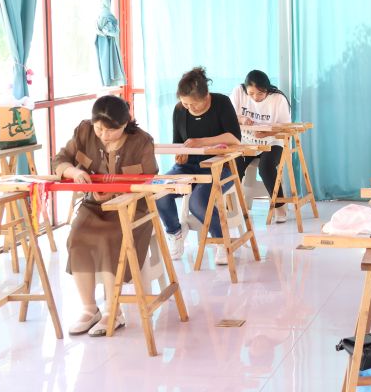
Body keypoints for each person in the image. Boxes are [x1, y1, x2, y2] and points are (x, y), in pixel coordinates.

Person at [52, 95, 158, 336]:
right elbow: (60, 159)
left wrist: (114, 193)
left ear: (125, 124)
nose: (103, 135)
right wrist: (73, 173)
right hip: (94, 205)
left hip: (132, 207)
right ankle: (89, 309)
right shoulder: (84, 131)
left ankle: (113, 310)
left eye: (110, 130)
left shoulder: (141, 142)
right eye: (99, 129)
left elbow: (149, 179)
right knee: (76, 237)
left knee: (111, 238)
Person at [155, 67, 242, 266]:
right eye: (185, 103)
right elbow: (179, 144)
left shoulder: (221, 103)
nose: (188, 108)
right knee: (160, 191)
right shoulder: (180, 110)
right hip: (189, 166)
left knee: (198, 201)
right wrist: (181, 155)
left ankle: (221, 240)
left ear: (205, 97)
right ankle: (175, 232)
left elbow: (234, 138)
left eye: (193, 104)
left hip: (221, 166)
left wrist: (201, 142)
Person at [230, 70, 292, 223]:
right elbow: (228, 116)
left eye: (260, 94)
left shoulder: (278, 99)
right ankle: (232, 207)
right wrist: (242, 119)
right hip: (246, 142)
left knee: (266, 167)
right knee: (233, 165)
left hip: (273, 142)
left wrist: (266, 133)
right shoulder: (239, 92)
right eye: (251, 93)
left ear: (267, 89)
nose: (255, 97)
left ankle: (280, 207)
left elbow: (286, 127)